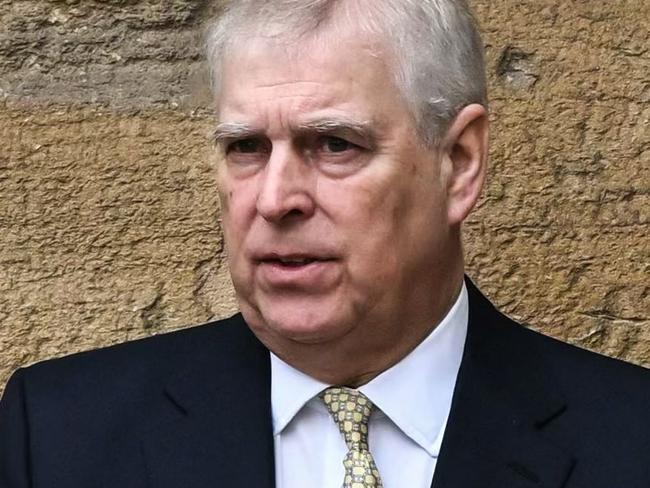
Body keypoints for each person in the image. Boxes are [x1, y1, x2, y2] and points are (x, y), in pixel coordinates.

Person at [1, 1, 648, 487]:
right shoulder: (58, 438)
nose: (276, 198)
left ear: (459, 162)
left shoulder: (630, 441)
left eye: (335, 144)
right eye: (246, 148)